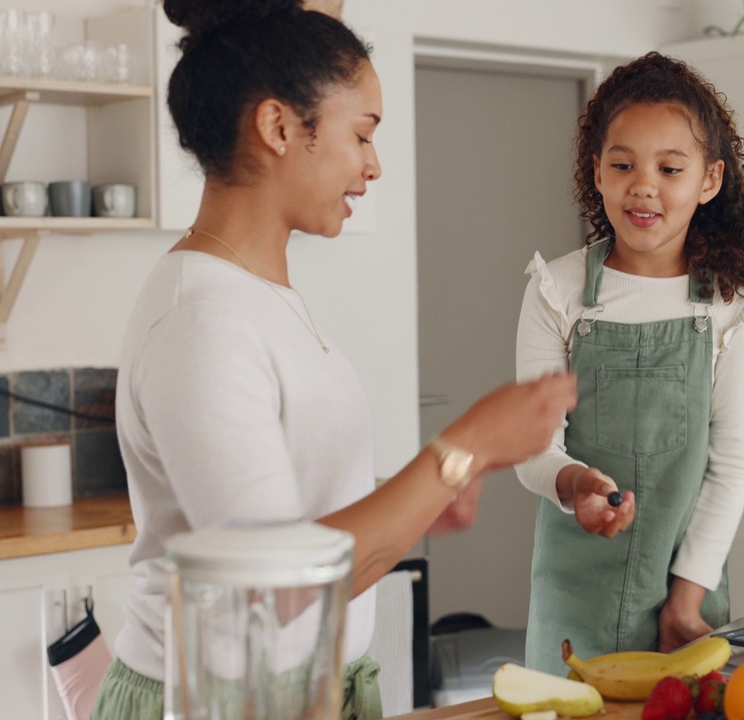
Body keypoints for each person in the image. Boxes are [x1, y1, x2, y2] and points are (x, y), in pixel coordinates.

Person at [90, 2, 578, 718]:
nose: (373, 166)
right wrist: (461, 446)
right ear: (280, 127)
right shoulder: (201, 320)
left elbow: (298, 520)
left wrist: (428, 493)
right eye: (362, 134)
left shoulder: (257, 294)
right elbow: (274, 585)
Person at [515, 52, 744, 675]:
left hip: (685, 600)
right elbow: (534, 450)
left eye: (670, 168)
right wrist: (575, 485)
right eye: (623, 165)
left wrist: (685, 600)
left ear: (709, 180)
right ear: (598, 172)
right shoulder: (554, 289)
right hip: (570, 602)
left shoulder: (735, 301)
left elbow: (730, 464)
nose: (644, 185)